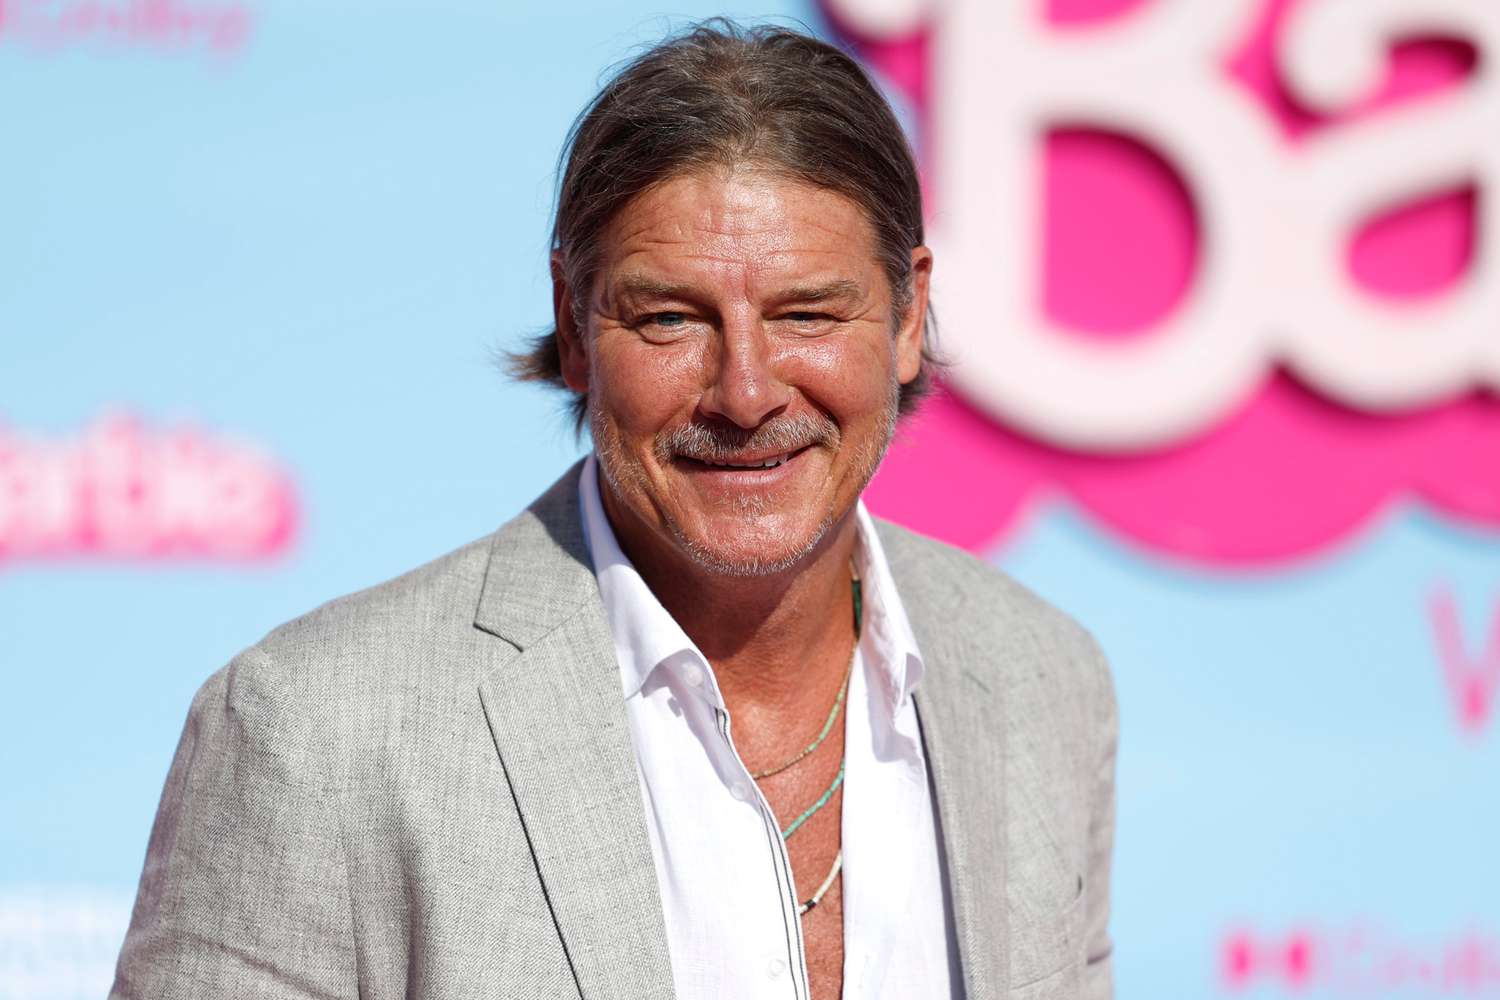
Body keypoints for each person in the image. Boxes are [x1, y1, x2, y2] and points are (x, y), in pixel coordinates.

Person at [110, 21, 1116, 1000]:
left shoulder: (1043, 685)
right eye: (669, 318)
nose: (746, 393)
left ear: (906, 316)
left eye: (807, 313)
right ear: (574, 324)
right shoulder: (318, 728)